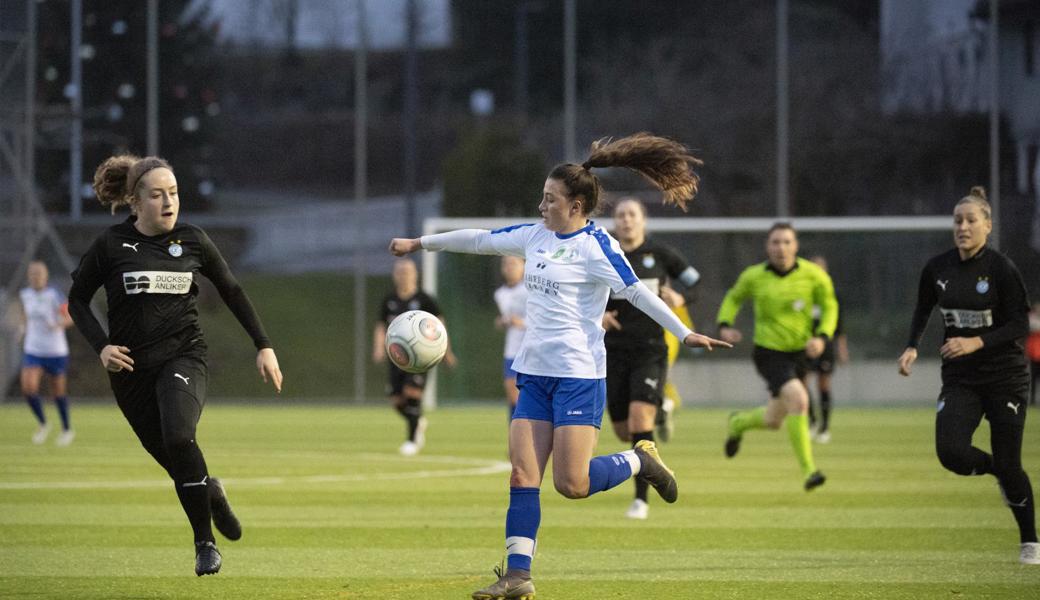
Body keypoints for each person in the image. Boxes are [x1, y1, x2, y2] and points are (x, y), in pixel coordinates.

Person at [389, 132, 730, 600]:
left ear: (576, 207)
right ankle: (517, 576)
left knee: (573, 483)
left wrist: (683, 331)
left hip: (579, 378)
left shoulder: (597, 246)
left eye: (550, 199)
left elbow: (636, 291)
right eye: (543, 197)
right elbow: (480, 240)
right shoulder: (535, 235)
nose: (542, 205)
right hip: (534, 375)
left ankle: (639, 459)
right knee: (522, 475)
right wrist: (419, 243)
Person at [68, 154, 284, 576]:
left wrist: (264, 345)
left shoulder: (194, 239)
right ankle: (213, 493)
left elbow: (233, 291)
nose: (169, 202)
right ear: (134, 202)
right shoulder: (112, 245)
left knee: (180, 436)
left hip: (183, 356)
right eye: (157, 195)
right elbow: (76, 299)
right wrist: (101, 347)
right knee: (175, 459)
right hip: (129, 373)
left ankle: (205, 544)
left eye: (174, 193)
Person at [898, 186, 1037, 565]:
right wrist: (912, 345)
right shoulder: (938, 268)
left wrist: (976, 342)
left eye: (971, 220)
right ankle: (999, 471)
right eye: (958, 220)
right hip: (960, 378)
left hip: (1005, 378)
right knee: (951, 453)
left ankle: (1030, 541)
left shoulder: (1000, 269)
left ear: (987, 226)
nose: (963, 226)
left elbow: (1019, 324)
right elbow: (923, 308)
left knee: (1013, 464)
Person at [716, 222, 834, 491]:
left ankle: (738, 423)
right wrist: (725, 325)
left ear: (796, 245)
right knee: (800, 401)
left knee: (774, 419)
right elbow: (734, 298)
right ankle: (809, 471)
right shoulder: (754, 275)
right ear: (767, 246)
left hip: (800, 353)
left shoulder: (813, 275)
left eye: (786, 242)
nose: (781, 248)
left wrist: (823, 336)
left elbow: (830, 305)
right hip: (769, 353)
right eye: (775, 242)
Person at [604, 197, 700, 520]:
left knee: (638, 423)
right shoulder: (604, 254)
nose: (626, 220)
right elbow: (584, 293)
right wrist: (600, 314)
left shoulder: (661, 255)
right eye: (620, 215)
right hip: (612, 352)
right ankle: (662, 408)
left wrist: (681, 296)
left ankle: (641, 500)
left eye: (632, 214)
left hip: (650, 350)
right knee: (621, 431)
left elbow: (694, 281)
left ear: (643, 220)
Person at [372, 257, 456, 456]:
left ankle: (411, 441)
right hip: (397, 357)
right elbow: (380, 325)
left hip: (421, 357)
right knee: (396, 400)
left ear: (415, 274)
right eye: (400, 272)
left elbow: (439, 326)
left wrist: (447, 351)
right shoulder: (389, 300)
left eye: (407, 272)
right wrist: (378, 347)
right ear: (395, 275)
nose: (404, 276)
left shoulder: (425, 300)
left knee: (412, 393)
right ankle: (418, 421)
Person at [18, 260, 75, 446]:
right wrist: (22, 329)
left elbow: (69, 317)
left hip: (55, 350)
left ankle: (66, 429)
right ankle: (43, 423)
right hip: (33, 349)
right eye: (32, 274)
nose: (36, 277)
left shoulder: (54, 294)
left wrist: (58, 324)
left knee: (58, 392)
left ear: (45, 276)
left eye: (39, 274)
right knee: (28, 387)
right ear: (29, 276)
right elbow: (26, 317)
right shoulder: (25, 295)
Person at [804, 254, 849, 443]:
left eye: (820, 268)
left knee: (823, 384)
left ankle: (824, 428)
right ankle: (811, 421)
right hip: (804, 343)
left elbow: (839, 324)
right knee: (802, 384)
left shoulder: (832, 293)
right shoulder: (802, 291)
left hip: (826, 344)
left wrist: (842, 347)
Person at [494, 255, 528, 416]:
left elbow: (540, 318)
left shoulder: (531, 288)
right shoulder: (500, 294)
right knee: (512, 394)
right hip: (512, 349)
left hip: (531, 348)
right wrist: (502, 322)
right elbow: (507, 318)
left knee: (525, 395)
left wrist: (521, 322)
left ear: (523, 266)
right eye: (505, 264)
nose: (509, 267)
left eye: (513, 263)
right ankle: (515, 433)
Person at [1027, 302, 1040, 406]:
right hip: (1033, 355)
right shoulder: (1031, 319)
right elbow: (1032, 325)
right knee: (1033, 379)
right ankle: (1032, 400)